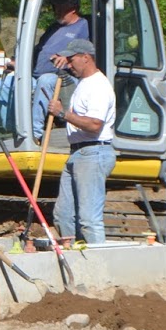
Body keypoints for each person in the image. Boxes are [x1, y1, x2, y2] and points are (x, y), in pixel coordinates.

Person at [47, 38, 115, 244]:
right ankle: (75, 257)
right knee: (63, 215)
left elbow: (95, 125)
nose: (69, 64)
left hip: (93, 153)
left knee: (88, 219)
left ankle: (98, 266)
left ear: (86, 58)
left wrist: (62, 113)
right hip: (77, 152)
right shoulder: (83, 83)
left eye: (71, 59)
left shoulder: (99, 86)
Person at [29, 0, 89, 140]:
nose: (57, 10)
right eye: (55, 6)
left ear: (73, 7)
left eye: (60, 6)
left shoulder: (83, 26)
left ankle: (33, 134)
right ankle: (9, 130)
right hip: (36, 74)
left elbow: (86, 52)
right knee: (11, 81)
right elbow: (38, 49)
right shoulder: (53, 28)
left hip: (65, 79)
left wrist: (68, 57)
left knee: (46, 80)